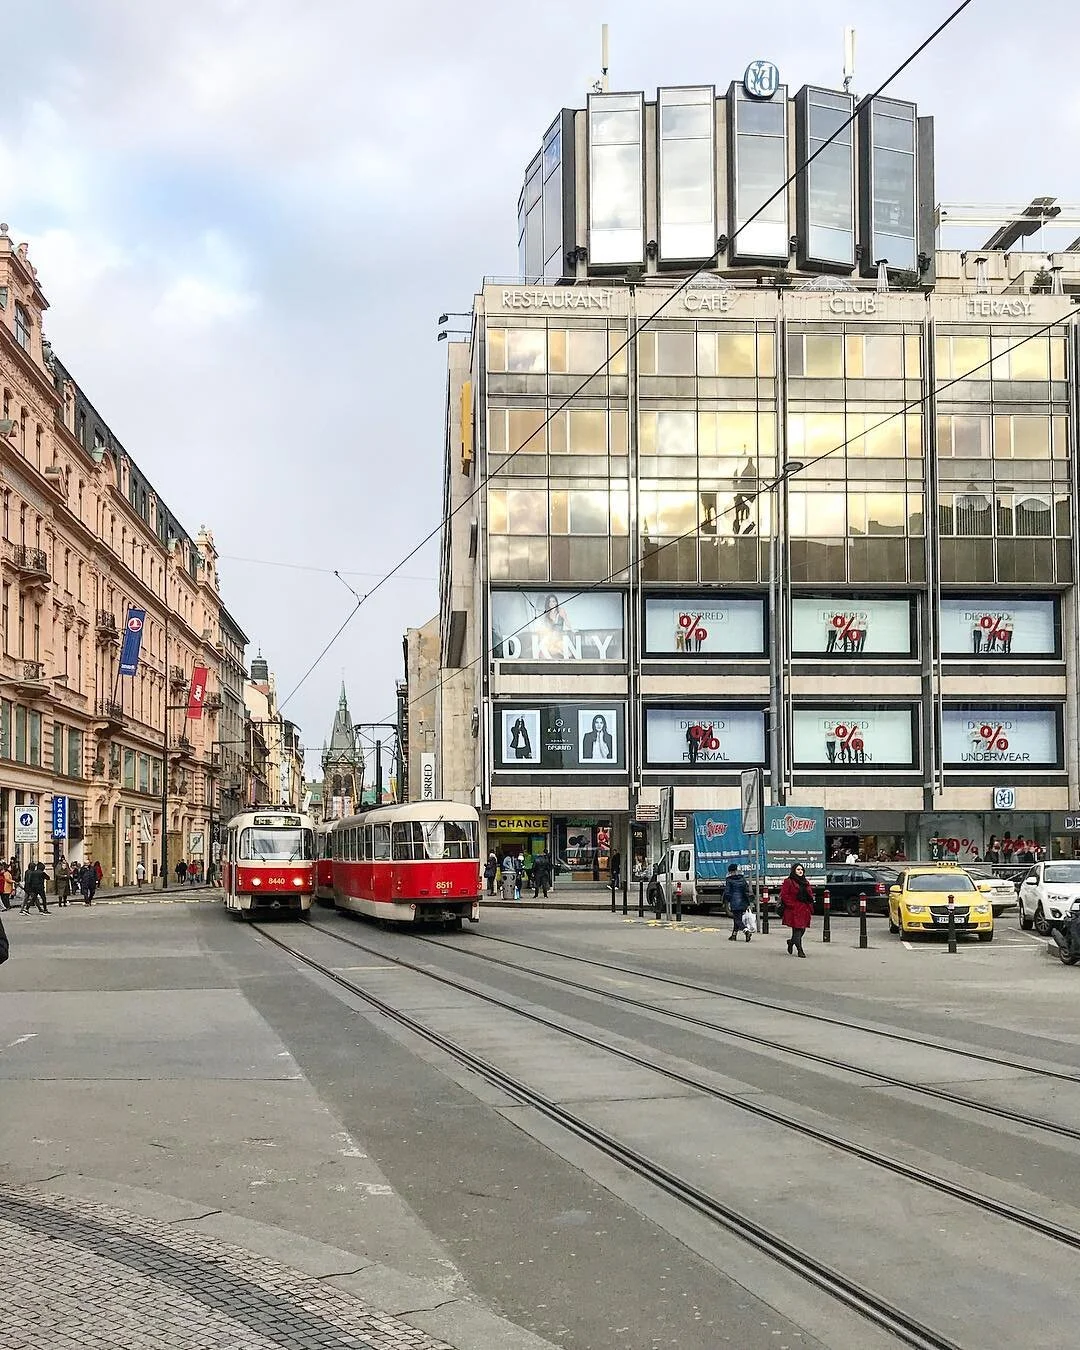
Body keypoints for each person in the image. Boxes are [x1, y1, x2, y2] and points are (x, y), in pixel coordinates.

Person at [780, 863, 814, 958]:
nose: (800, 871)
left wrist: (810, 903)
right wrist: (792, 905)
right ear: (794, 871)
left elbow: (809, 894)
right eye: (798, 869)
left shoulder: (805, 882)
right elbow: (784, 895)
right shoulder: (789, 881)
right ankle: (800, 950)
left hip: (804, 908)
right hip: (794, 909)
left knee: (802, 929)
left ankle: (791, 942)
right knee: (797, 929)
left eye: (801, 870)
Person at [723, 863, 752, 942]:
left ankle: (746, 931)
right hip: (743, 902)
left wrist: (727, 900)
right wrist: (748, 903)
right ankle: (734, 935)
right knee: (737, 919)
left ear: (730, 872)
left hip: (734, 902)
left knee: (737, 919)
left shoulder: (729, 880)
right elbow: (746, 891)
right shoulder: (742, 879)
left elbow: (728, 892)